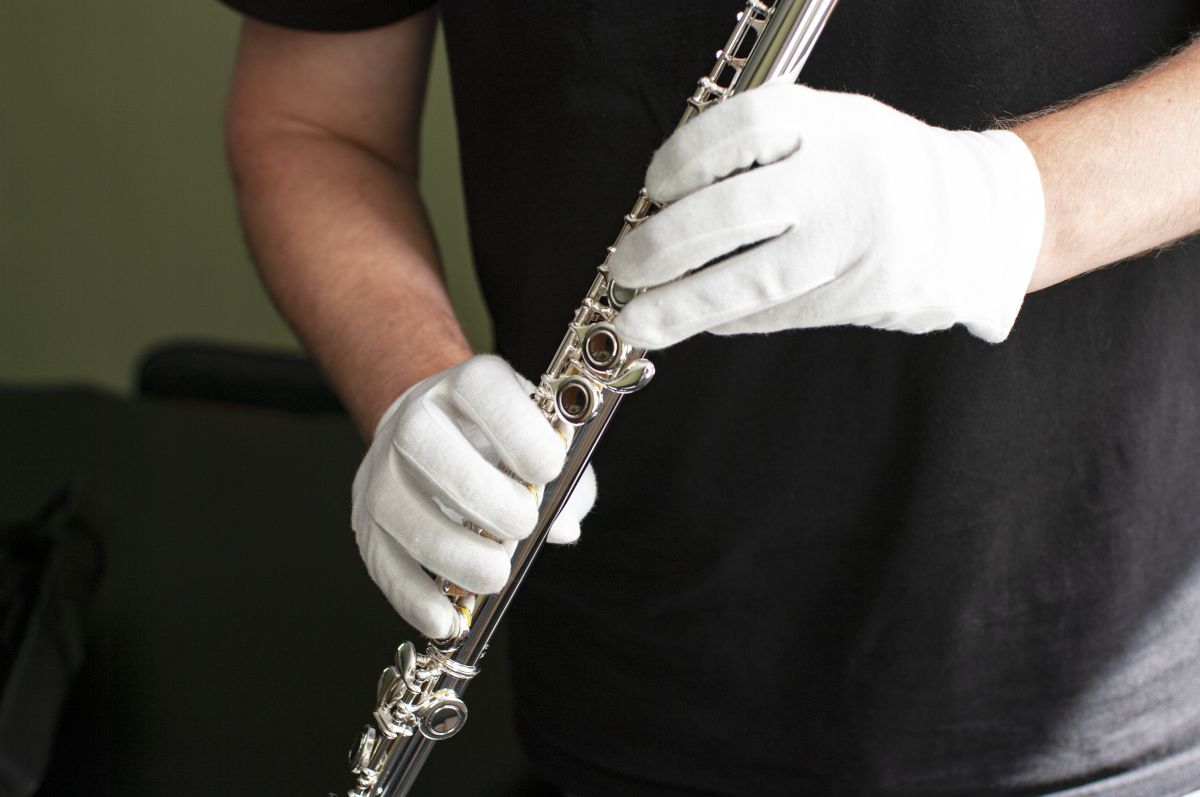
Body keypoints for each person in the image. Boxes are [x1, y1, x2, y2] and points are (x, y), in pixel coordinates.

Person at [220, 1, 1200, 794]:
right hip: (626, 694)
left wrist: (1001, 208)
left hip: (1111, 686)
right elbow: (312, 125)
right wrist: (412, 382)